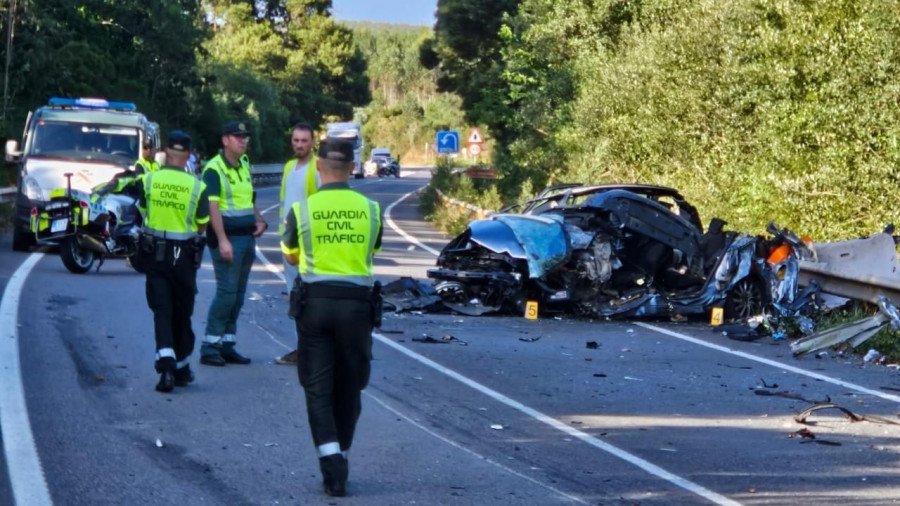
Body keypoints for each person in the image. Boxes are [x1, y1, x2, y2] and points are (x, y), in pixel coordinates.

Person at [281, 139, 383, 497]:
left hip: (316, 306)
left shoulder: (302, 210)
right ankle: (342, 451)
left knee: (318, 387)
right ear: (353, 168)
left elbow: (291, 255)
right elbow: (374, 248)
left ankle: (331, 463)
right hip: (357, 308)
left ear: (318, 168)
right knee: (350, 385)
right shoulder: (371, 209)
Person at [136, 131, 208, 392]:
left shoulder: (150, 180)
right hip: (184, 256)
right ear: (188, 155)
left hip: (156, 253)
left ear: (166, 153)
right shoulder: (197, 186)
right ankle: (181, 367)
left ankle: (166, 368)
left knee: (162, 310)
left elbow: (143, 211)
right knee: (182, 312)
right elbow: (202, 225)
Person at [200, 121, 267, 367]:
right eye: (237, 137)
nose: (243, 141)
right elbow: (212, 207)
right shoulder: (214, 169)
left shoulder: (244, 164)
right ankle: (209, 346)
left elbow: (247, 199)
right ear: (225, 140)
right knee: (226, 293)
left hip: (247, 237)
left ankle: (227, 344)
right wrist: (222, 240)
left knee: (238, 295)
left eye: (245, 137)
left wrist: (259, 220)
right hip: (228, 240)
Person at [275, 122, 320, 366]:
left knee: (307, 298)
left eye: (304, 141)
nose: (299, 145)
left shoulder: (317, 169)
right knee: (295, 297)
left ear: (313, 142)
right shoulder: (289, 167)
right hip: (289, 244)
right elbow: (285, 203)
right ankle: (302, 347)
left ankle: (308, 349)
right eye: (296, 140)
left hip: (309, 247)